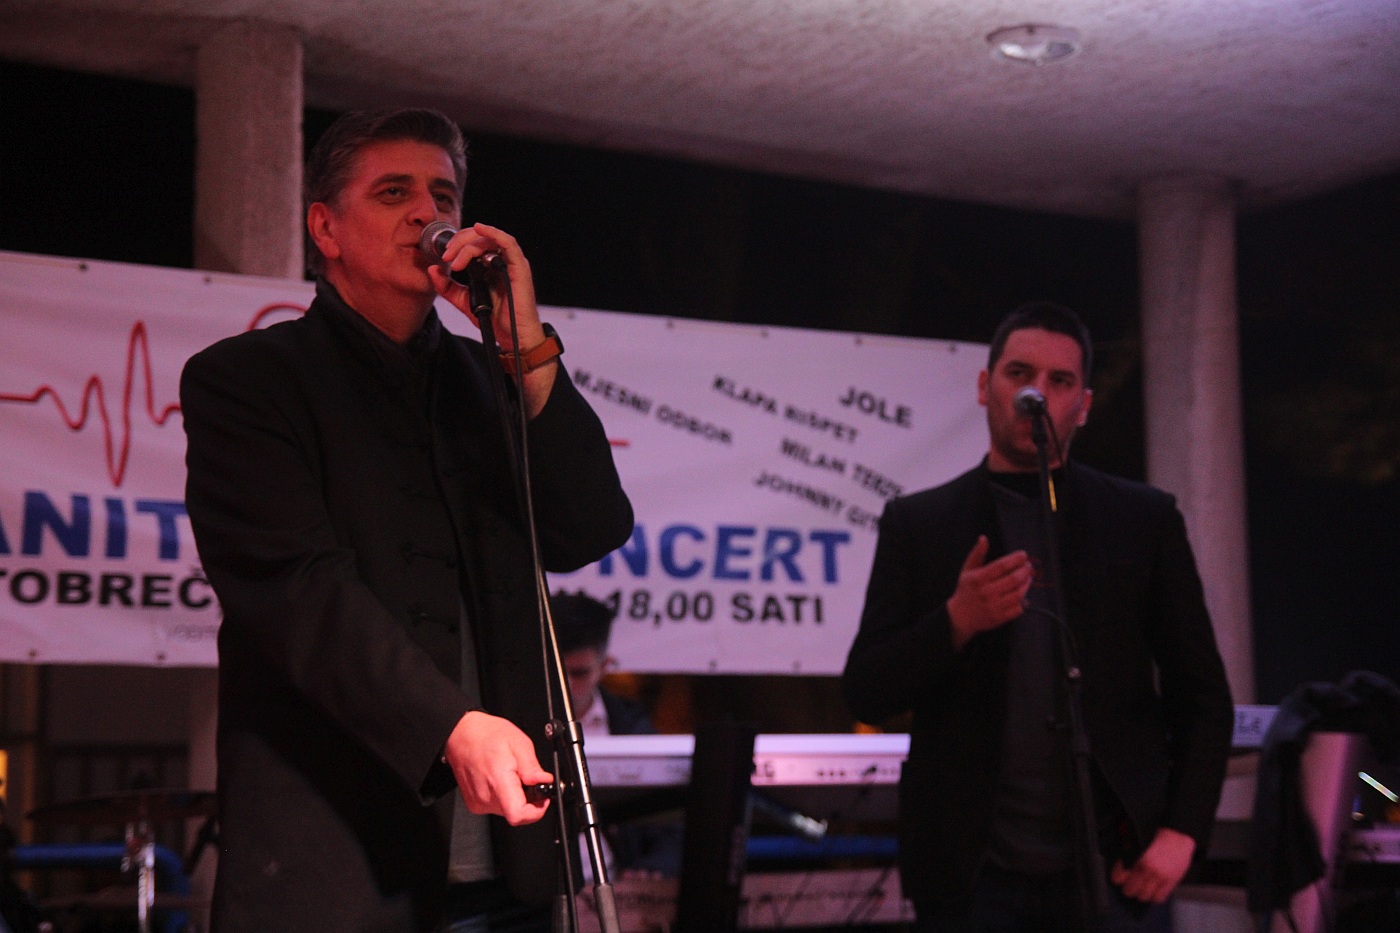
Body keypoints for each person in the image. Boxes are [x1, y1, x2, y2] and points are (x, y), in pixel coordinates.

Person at [180, 108, 634, 932]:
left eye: (443, 195)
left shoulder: (492, 375)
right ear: (326, 227)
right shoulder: (248, 380)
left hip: (513, 869)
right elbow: (300, 591)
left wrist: (526, 347)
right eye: (394, 192)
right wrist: (452, 727)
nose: (427, 213)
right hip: (335, 870)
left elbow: (591, 527)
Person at [841, 302, 1234, 932]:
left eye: (1060, 380)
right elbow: (867, 690)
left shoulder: (1142, 520)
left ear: (1083, 404)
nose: (1036, 395)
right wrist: (955, 621)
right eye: (1019, 374)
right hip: (970, 878)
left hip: (1114, 868)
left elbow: (1203, 695)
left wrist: (1182, 831)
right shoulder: (921, 524)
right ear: (984, 386)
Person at [550, 591, 683, 879]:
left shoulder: (632, 728)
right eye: (556, 673)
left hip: (615, 888)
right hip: (537, 892)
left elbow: (671, 825)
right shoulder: (513, 726)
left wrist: (651, 869)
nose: (566, 685)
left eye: (579, 673)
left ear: (605, 666)